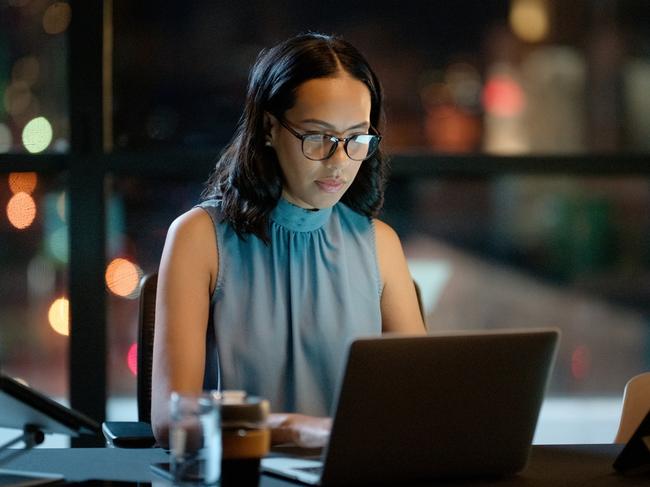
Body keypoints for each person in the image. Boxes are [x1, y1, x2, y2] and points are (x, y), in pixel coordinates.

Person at [151, 32, 426, 449]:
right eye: (318, 138)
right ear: (268, 128)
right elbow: (174, 418)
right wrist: (295, 428)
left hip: (353, 474)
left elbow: (426, 397)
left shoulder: (379, 243)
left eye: (357, 139)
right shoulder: (199, 237)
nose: (339, 162)